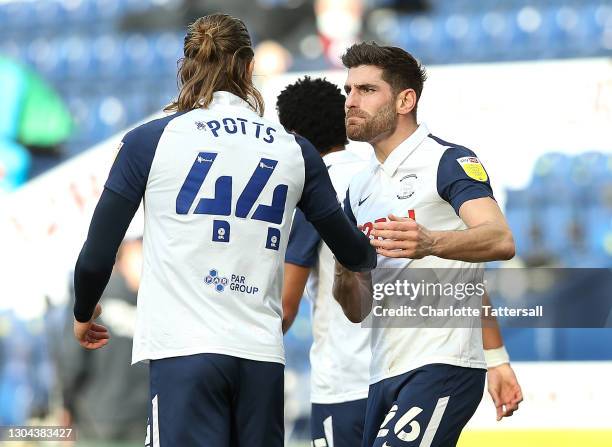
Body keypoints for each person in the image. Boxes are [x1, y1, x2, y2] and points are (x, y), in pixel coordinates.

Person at [71, 15, 376, 447]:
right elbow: (353, 250)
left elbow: (96, 258)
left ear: (187, 66)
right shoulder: (295, 149)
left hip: (184, 353)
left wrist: (84, 314)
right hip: (261, 360)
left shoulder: (149, 141)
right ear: (249, 67)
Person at [332, 42, 521, 447]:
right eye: (348, 90)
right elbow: (356, 309)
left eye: (366, 90)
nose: (350, 101)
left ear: (405, 99)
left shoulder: (447, 161)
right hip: (383, 370)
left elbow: (501, 239)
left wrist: (431, 241)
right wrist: (344, 269)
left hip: (442, 363)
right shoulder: (358, 186)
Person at [277, 77, 370, 447]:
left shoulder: (313, 190)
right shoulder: (376, 178)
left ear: (294, 136)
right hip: (396, 376)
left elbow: (285, 306)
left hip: (343, 381)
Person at [61, 238, 148, 445]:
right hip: (142, 422)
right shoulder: (164, 303)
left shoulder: (89, 297)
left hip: (98, 420)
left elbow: (71, 359)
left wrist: (67, 405)